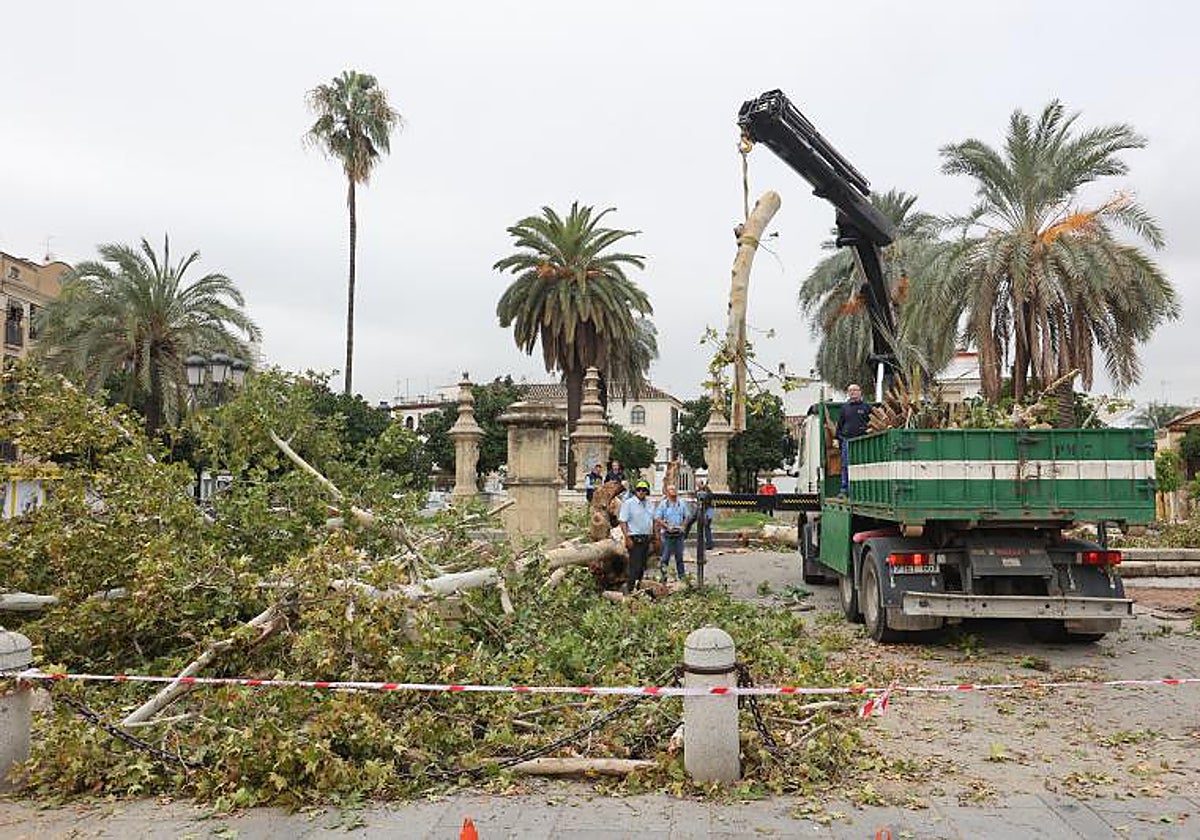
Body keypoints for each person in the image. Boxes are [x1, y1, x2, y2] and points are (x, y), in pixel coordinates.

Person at [618, 478, 656, 593]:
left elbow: (653, 520)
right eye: (639, 489)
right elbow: (623, 521)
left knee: (643, 566)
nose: (641, 492)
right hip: (634, 538)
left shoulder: (649, 504)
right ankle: (630, 589)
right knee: (635, 566)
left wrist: (655, 535)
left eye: (644, 490)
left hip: (646, 537)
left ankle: (638, 588)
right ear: (636, 491)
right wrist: (627, 537)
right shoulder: (629, 503)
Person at [836, 383, 872, 496]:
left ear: (860, 392)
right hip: (847, 440)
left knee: (863, 464)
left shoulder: (866, 407)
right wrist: (839, 437)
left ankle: (863, 489)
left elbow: (872, 423)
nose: (853, 392)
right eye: (850, 390)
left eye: (855, 390)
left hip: (863, 441)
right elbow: (840, 425)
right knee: (846, 465)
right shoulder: (844, 408)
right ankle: (845, 489)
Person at [655, 483, 689, 581]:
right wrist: (666, 526)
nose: (673, 491)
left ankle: (682, 577)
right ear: (667, 492)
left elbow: (686, 516)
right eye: (671, 490)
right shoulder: (663, 504)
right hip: (667, 534)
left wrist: (683, 526)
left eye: (674, 489)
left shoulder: (681, 503)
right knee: (665, 557)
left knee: (679, 557)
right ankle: (663, 577)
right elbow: (657, 518)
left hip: (679, 533)